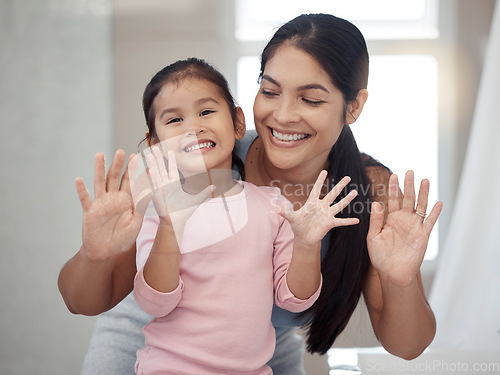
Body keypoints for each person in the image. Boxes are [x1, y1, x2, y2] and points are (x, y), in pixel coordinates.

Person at [58, 14, 442, 375]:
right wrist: (94, 255)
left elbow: (408, 346)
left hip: (260, 353)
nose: (283, 115)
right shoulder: (200, 160)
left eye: (310, 99)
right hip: (152, 340)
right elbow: (83, 301)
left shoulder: (370, 190)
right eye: (270, 91)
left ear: (353, 106)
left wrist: (400, 281)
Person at [130, 57, 360, 374]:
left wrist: (306, 245)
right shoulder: (161, 211)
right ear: (155, 144)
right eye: (174, 120)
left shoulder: (272, 206)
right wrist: (170, 227)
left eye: (206, 111)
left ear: (238, 122)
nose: (193, 127)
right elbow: (154, 302)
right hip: (170, 368)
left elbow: (295, 300)